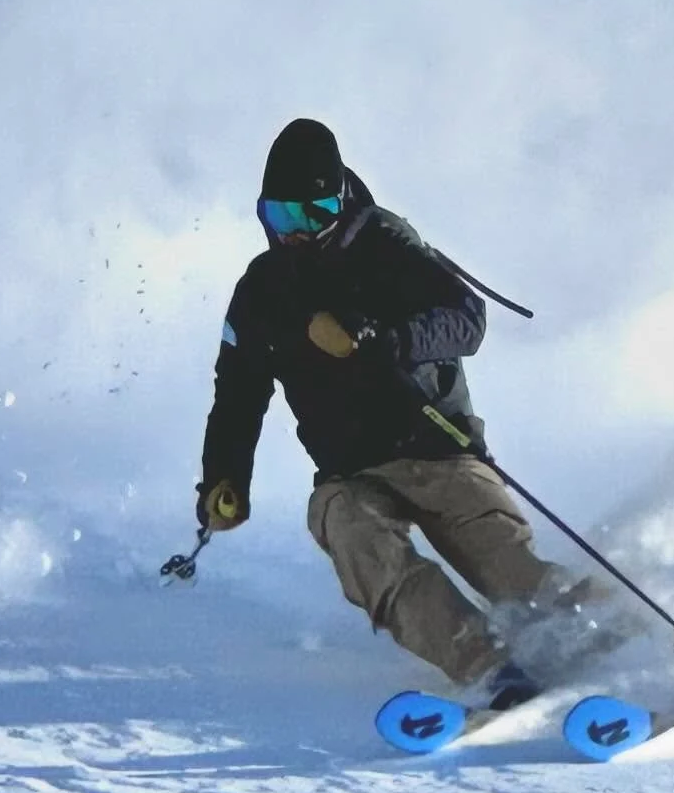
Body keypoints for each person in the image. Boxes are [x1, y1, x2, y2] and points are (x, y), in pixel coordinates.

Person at [196, 118, 594, 708]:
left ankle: (613, 641)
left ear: (339, 200)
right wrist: (224, 478)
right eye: (282, 218)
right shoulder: (261, 292)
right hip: (349, 473)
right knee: (357, 539)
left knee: (508, 567)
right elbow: (237, 393)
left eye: (314, 213)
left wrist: (376, 338)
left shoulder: (385, 244)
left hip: (437, 448)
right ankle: (491, 670)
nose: (298, 234)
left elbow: (466, 317)